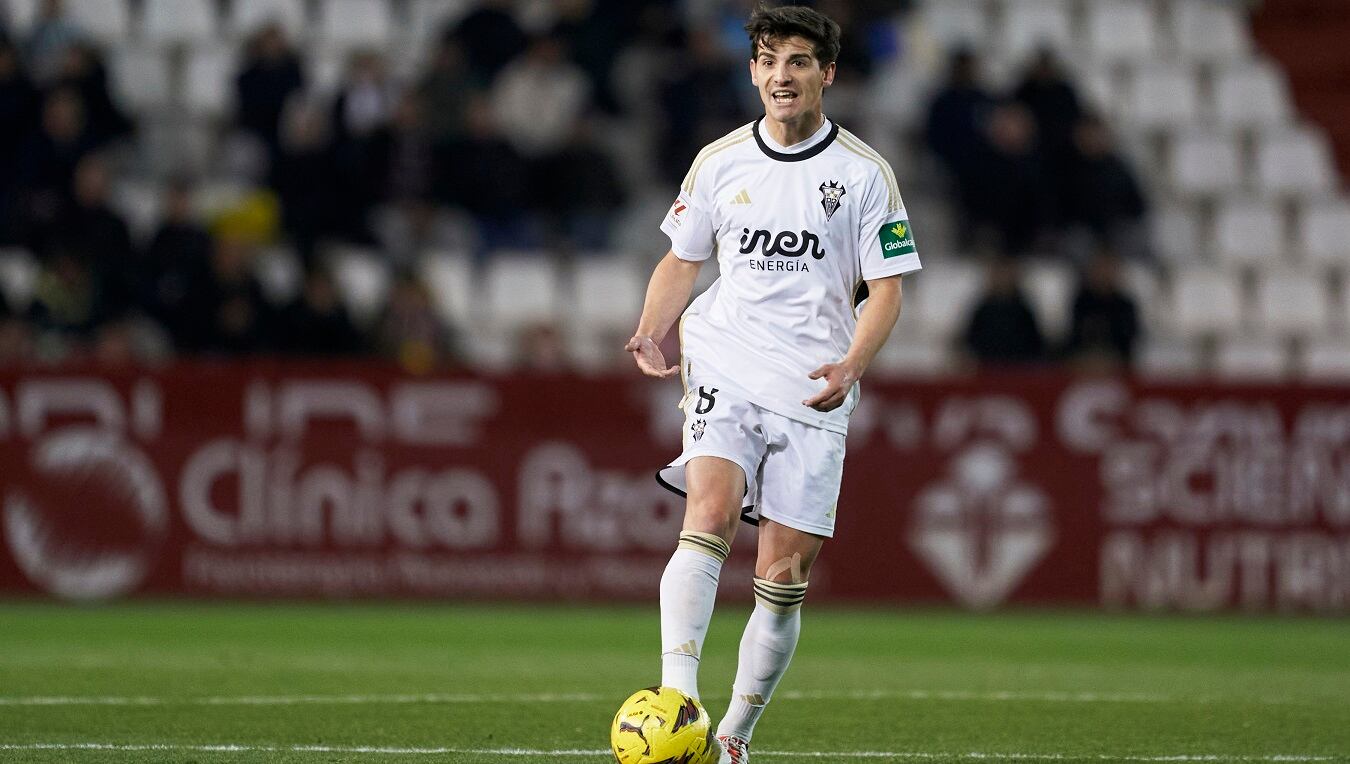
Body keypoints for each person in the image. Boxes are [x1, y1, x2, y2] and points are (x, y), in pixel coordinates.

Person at [625, 7, 920, 763]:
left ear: (827, 73)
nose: (780, 76)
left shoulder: (862, 175)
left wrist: (852, 365)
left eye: (797, 62)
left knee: (782, 574)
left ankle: (732, 737)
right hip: (724, 358)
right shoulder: (720, 161)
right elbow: (681, 261)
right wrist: (650, 326)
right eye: (767, 61)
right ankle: (677, 698)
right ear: (751, 70)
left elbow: (886, 290)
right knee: (712, 509)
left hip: (814, 381)